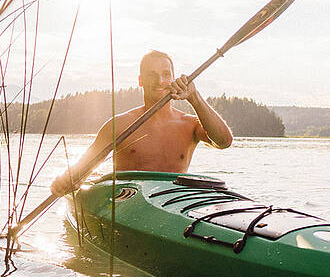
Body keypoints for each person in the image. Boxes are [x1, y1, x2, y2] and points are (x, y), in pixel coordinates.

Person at [50, 50, 233, 196]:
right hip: (127, 203)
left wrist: (195, 98)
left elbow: (224, 142)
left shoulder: (190, 124)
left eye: (165, 74)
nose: (160, 81)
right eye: (152, 75)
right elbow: (82, 169)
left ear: (173, 78)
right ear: (140, 80)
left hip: (172, 201)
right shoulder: (119, 125)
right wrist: (64, 182)